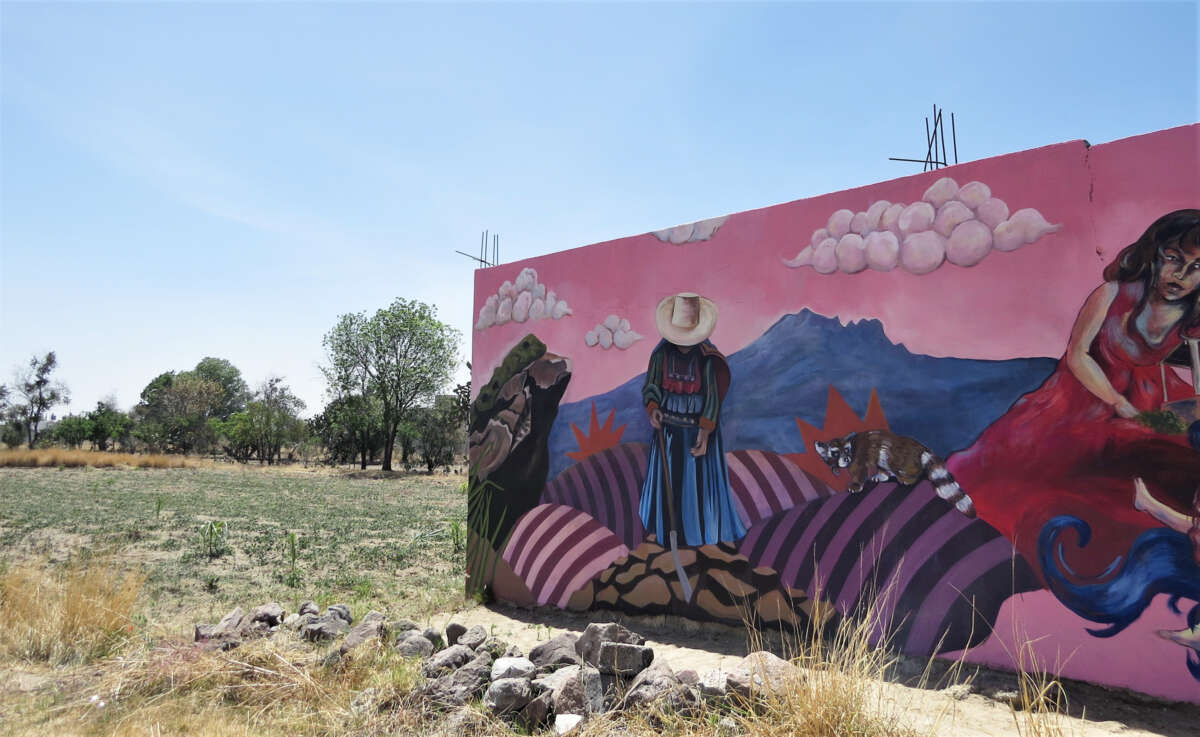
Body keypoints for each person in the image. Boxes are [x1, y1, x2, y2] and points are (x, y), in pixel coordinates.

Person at [948, 209, 1200, 575]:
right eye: (1173, 259)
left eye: (1196, 267)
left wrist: (1186, 416)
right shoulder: (1112, 294)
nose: (1181, 274)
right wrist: (1116, 402)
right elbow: (1078, 354)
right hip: (1085, 392)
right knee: (1042, 469)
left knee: (1172, 458)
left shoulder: (1192, 316)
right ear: (1154, 253)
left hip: (1147, 394)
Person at [639, 293, 747, 546]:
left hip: (695, 432)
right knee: (668, 485)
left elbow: (712, 397)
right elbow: (651, 386)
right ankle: (666, 534)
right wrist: (653, 407)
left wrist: (705, 433)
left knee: (695, 488)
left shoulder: (706, 358)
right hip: (667, 432)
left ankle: (697, 537)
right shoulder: (661, 355)